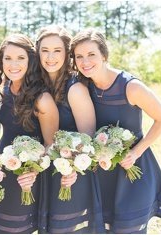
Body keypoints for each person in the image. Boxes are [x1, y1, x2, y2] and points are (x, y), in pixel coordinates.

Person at [70, 28, 161, 233]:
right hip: (102, 172)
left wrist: (136, 152)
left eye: (91, 55)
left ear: (104, 55)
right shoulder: (83, 87)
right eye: (79, 56)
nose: (85, 61)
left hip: (133, 169)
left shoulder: (130, 87)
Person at [0, 33, 59, 234]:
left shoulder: (42, 99)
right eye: (8, 58)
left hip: (28, 176)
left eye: (20, 58)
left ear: (30, 60)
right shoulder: (4, 88)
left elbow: (51, 145)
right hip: (3, 172)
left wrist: (33, 171)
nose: (13, 64)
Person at [35, 25, 104, 233]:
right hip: (49, 171)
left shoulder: (75, 88)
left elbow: (88, 138)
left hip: (74, 174)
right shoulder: (39, 84)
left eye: (57, 50)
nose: (50, 57)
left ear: (67, 53)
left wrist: (72, 169)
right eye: (45, 50)